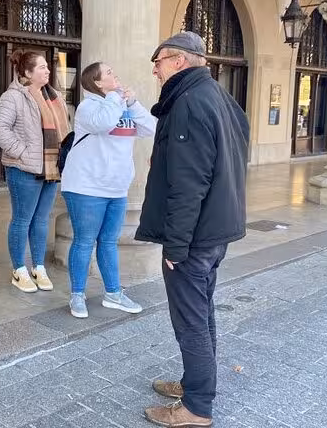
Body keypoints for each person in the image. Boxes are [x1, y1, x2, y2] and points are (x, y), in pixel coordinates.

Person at [135, 31, 249, 427]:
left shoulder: (188, 102)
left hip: (195, 235)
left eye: (159, 60)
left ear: (179, 61)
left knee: (191, 319)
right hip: (216, 229)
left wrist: (175, 247)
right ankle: (197, 382)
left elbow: (189, 183)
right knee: (201, 312)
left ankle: (197, 408)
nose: (155, 68)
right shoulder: (219, 97)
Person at [61, 62, 156, 318]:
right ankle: (77, 295)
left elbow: (152, 128)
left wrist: (133, 104)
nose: (116, 74)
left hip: (116, 188)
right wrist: (116, 97)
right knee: (84, 241)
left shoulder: (121, 106)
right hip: (86, 187)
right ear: (97, 83)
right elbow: (103, 123)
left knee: (109, 242)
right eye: (109, 73)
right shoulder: (88, 107)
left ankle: (113, 294)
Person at [0, 51, 70, 293]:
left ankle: (38, 266)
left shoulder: (52, 96)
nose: (48, 71)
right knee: (22, 220)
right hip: (24, 169)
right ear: (27, 72)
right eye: (42, 67)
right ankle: (19, 270)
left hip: (50, 168)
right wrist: (22, 152)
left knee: (41, 220)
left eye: (48, 67)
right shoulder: (13, 97)